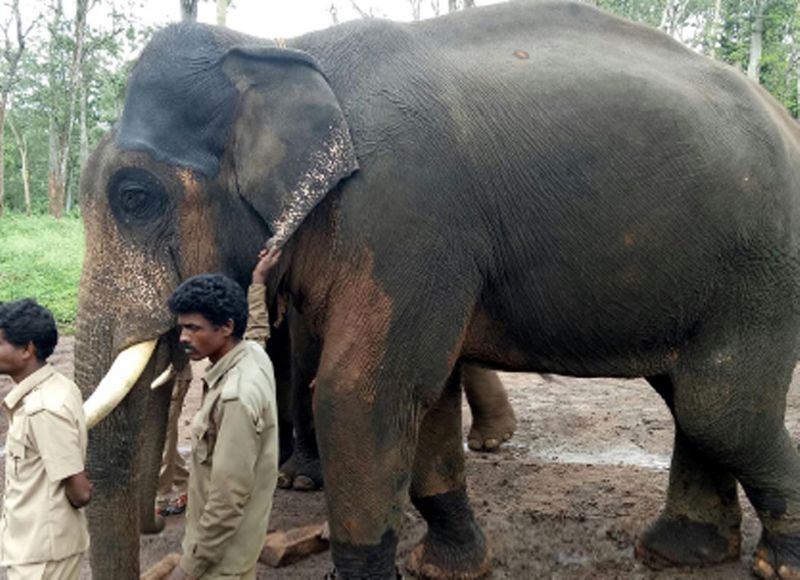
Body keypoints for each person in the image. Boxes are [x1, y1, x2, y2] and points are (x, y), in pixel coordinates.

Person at [167, 273, 278, 580]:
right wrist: (258, 284)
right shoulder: (253, 355)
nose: (183, 338)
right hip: (236, 546)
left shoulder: (235, 398)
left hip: (220, 562)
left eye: (193, 328)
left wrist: (189, 569)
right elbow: (257, 332)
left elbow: (228, 498)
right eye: (181, 328)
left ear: (227, 327)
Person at [0, 299, 92, 580]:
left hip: (42, 557)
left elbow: (80, 491)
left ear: (27, 349)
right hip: (34, 547)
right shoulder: (58, 387)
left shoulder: (44, 410)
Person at [155, 364, 192, 517]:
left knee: (162, 440)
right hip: (154, 378)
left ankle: (160, 501)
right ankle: (187, 486)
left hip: (171, 375)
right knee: (163, 441)